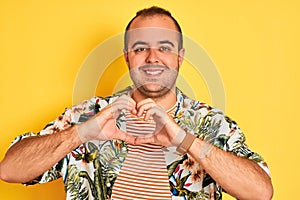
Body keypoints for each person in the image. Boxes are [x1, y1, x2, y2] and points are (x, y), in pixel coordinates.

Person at [0, 6, 273, 200]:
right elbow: (10, 170)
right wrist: (80, 133)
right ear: (127, 57)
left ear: (180, 57)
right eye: (141, 48)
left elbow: (261, 192)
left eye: (164, 48)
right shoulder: (89, 114)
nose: (153, 57)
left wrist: (185, 140)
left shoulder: (211, 123)